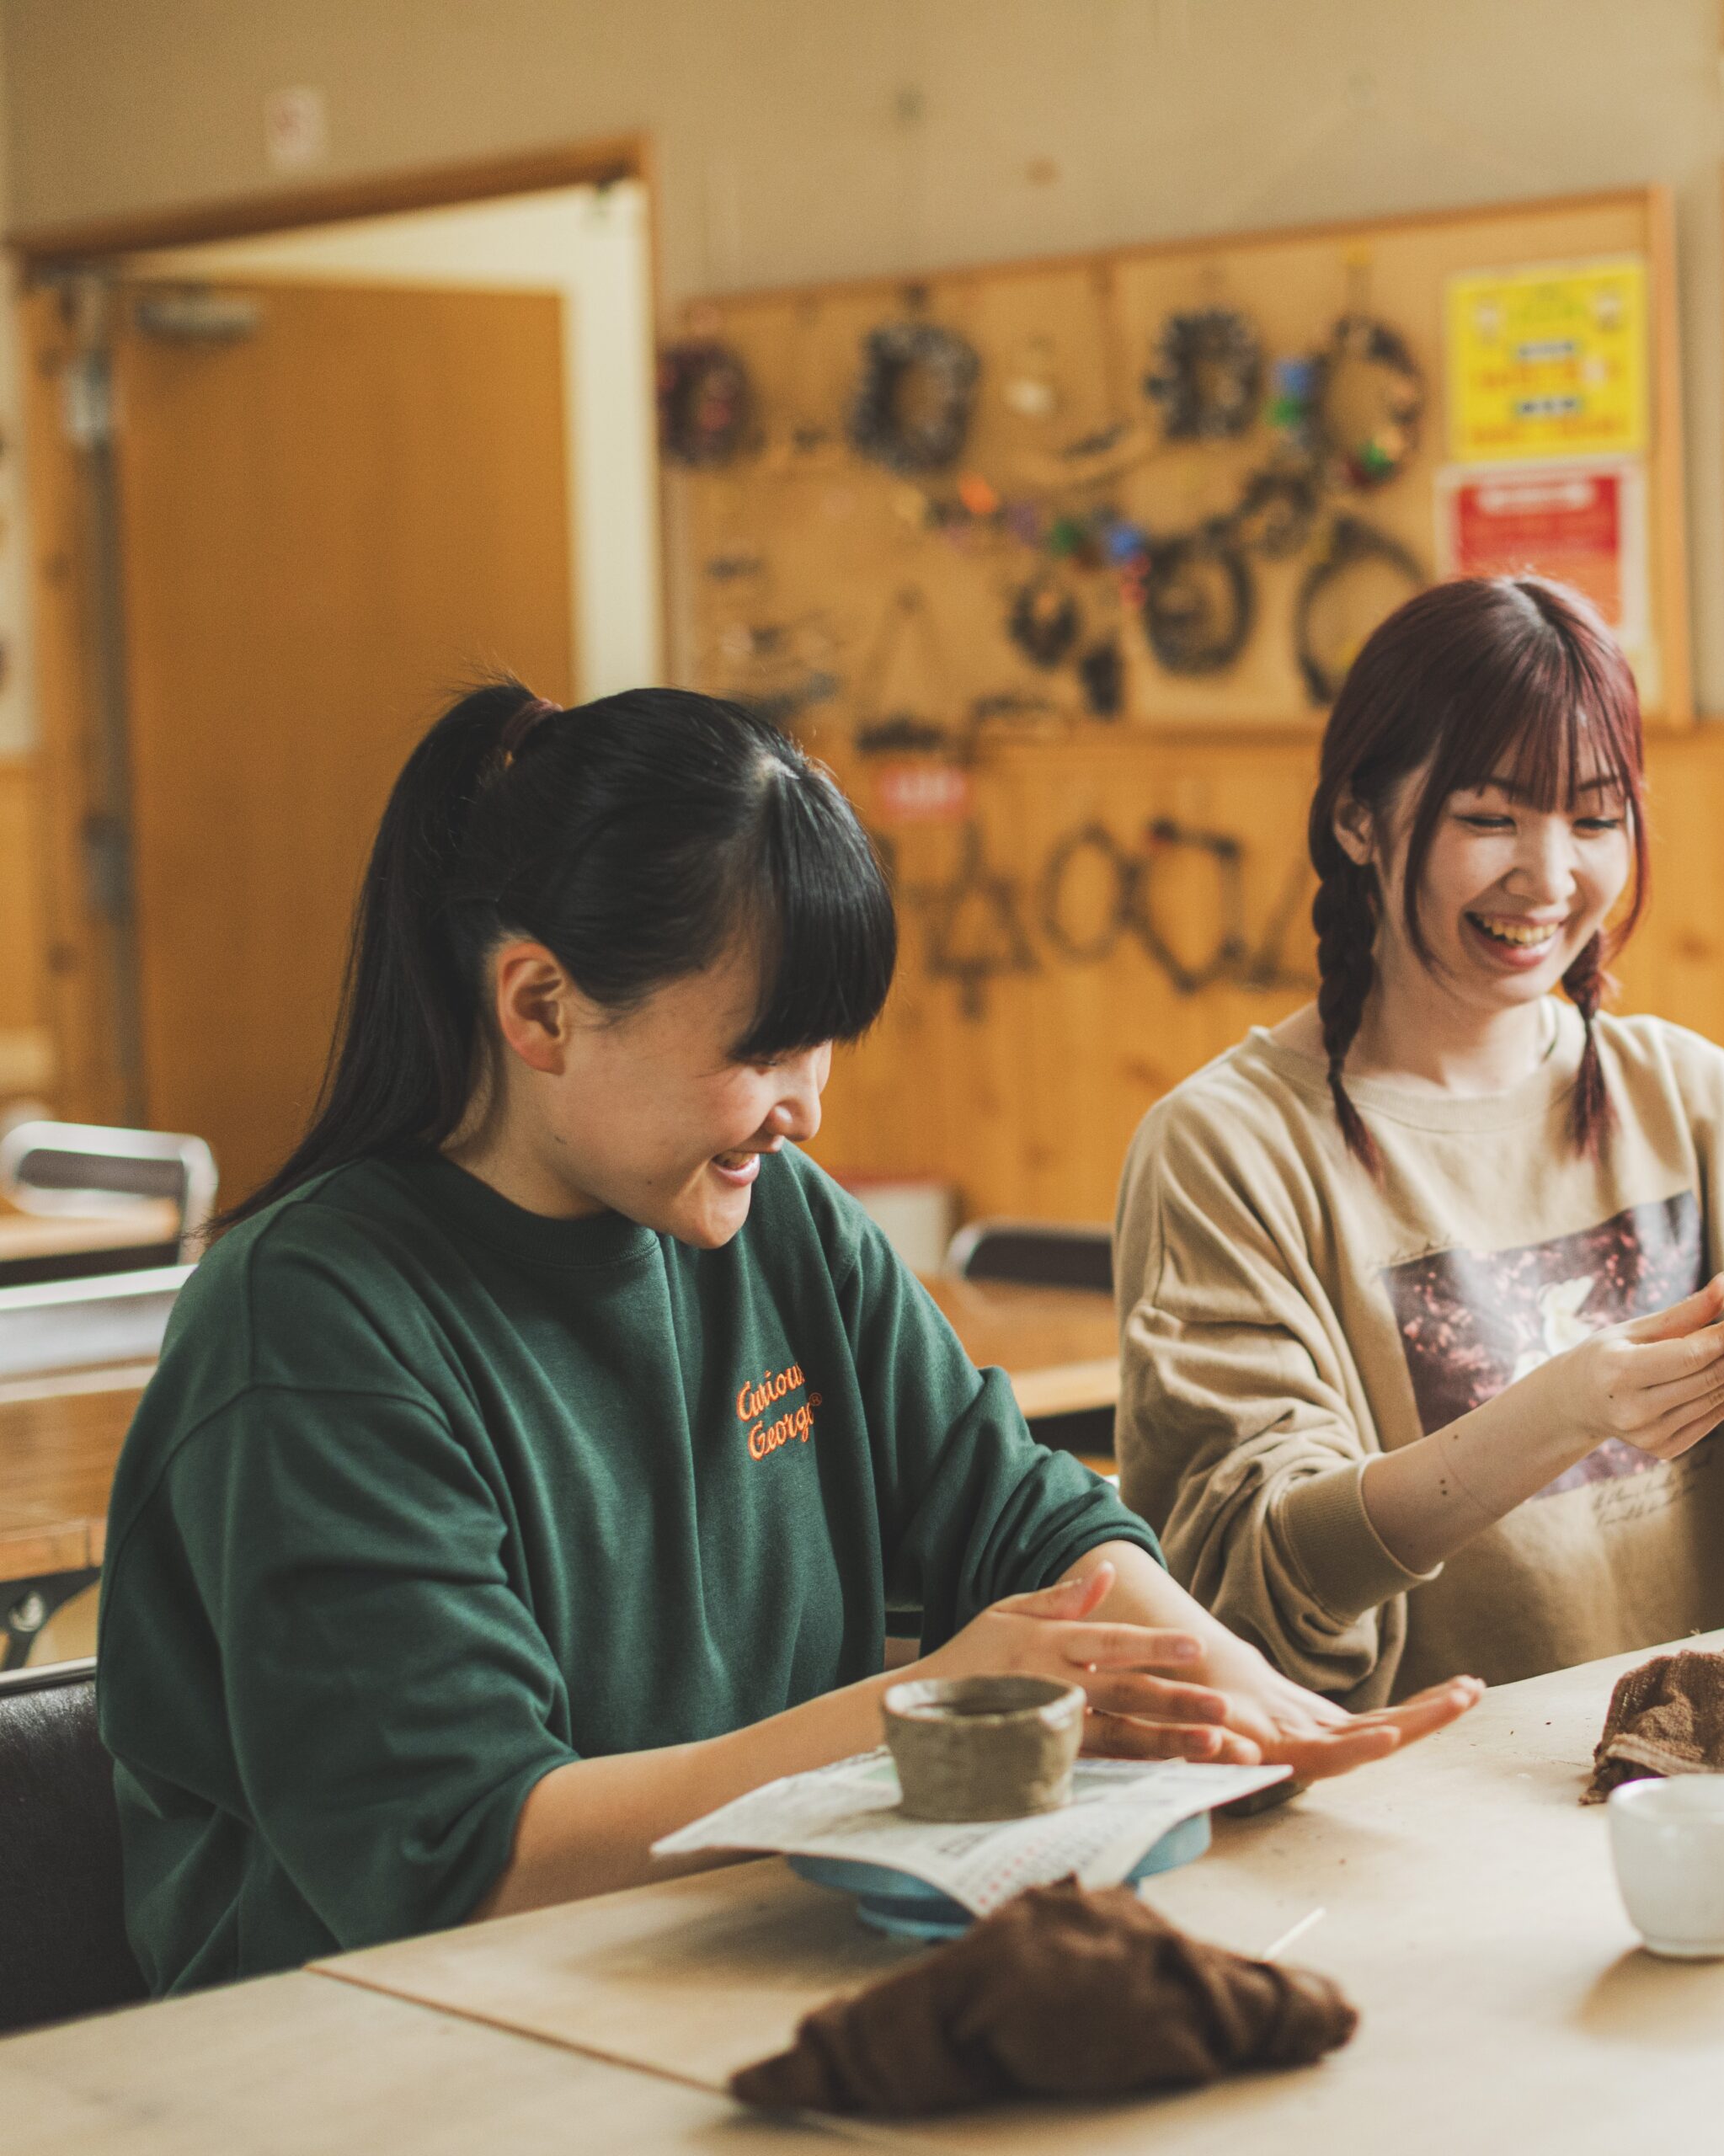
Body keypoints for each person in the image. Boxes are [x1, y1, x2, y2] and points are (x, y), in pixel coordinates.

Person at [99, 683, 1480, 1995]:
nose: (807, 1108)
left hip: (729, 1972)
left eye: (826, 1046)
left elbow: (1017, 1513)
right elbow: (473, 1863)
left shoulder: (778, 1223)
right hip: (375, 2065)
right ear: (539, 1007)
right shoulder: (313, 1328)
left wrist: (1236, 1697)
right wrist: (922, 1707)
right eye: (763, 1050)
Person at [1114, 579, 1724, 1708]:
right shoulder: (1226, 1148)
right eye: (1489, 818)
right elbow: (1254, 1578)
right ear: (1357, 818)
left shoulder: (1696, 1103)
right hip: (1419, 1804)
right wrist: (1560, 1413)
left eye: (1594, 819)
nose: (1548, 876)